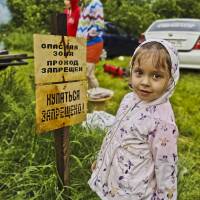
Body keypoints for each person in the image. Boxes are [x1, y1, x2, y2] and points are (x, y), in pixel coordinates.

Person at [88, 39, 180, 200]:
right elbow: (115, 134)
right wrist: (101, 160)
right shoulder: (128, 99)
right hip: (114, 178)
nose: (145, 82)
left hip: (134, 192)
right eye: (139, 72)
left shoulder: (162, 122)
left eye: (156, 76)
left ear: (170, 80)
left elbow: (166, 168)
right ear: (131, 71)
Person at [77, 0, 104, 88]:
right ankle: (90, 96)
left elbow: (99, 25)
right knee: (87, 74)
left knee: (87, 73)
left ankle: (97, 95)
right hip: (84, 43)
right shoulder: (87, 4)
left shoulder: (96, 3)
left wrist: (87, 36)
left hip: (93, 42)